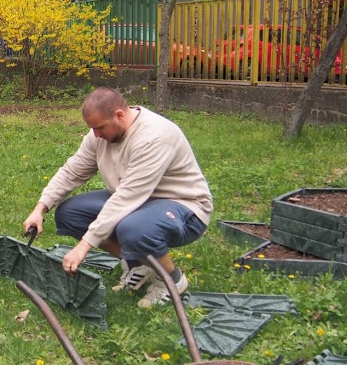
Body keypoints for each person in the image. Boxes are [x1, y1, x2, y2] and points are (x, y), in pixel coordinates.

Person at [23, 87, 213, 308]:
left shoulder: (155, 137)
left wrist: (84, 246)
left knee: (133, 229)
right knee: (69, 214)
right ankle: (139, 265)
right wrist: (40, 208)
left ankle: (172, 280)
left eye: (100, 128)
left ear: (120, 115)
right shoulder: (100, 135)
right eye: (92, 129)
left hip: (185, 207)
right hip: (138, 201)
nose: (95, 135)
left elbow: (126, 198)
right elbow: (73, 171)